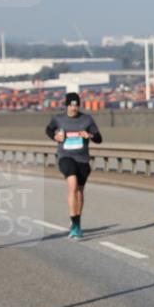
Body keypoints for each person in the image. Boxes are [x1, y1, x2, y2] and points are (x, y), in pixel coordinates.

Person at [45, 92, 102, 239]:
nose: (74, 108)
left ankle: (77, 222)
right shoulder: (59, 119)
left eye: (76, 105)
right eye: (71, 105)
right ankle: (75, 225)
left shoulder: (87, 120)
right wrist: (55, 137)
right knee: (73, 186)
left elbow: (99, 138)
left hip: (82, 160)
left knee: (80, 192)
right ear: (67, 105)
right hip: (65, 157)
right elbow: (48, 130)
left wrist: (89, 136)